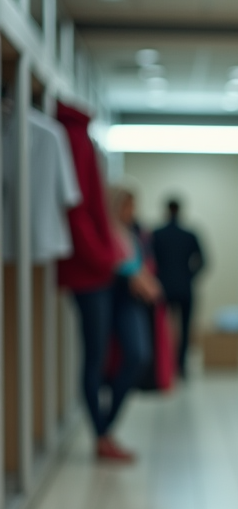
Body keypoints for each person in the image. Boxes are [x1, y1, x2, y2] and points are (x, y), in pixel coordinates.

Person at [92, 186, 160, 462]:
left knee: (138, 356)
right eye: (125, 206)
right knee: (99, 362)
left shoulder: (134, 234)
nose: (130, 212)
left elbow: (137, 263)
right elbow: (116, 263)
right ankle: (102, 433)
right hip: (112, 297)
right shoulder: (106, 232)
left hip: (131, 302)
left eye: (133, 206)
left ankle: (105, 427)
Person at [151, 196, 205, 378]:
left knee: (162, 328)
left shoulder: (156, 234)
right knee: (185, 327)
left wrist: (157, 278)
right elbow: (203, 261)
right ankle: (181, 366)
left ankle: (166, 365)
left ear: (167, 210)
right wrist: (189, 276)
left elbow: (149, 261)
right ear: (179, 210)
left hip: (162, 288)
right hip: (184, 288)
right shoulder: (189, 234)